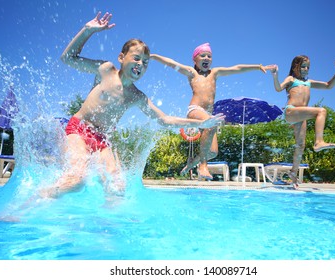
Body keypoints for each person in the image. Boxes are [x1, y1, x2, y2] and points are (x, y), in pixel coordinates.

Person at [41, 12, 224, 198]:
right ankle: (35, 200)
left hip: (102, 141)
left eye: (145, 63)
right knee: (76, 181)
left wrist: (202, 123)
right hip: (79, 129)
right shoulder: (106, 70)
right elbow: (68, 58)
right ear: (121, 57)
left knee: (117, 188)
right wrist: (87, 31)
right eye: (136, 58)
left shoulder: (137, 96)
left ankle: (108, 225)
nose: (140, 64)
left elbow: (165, 120)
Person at [151, 43, 272, 180]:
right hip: (195, 110)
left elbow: (236, 68)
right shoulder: (192, 73)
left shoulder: (215, 73)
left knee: (213, 152)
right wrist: (154, 57)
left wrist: (257, 66)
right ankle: (202, 165)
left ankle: (192, 163)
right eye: (203, 55)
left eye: (209, 56)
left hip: (208, 115)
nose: (206, 58)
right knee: (212, 124)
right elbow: (172, 63)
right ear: (195, 59)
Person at [268, 55, 335, 188]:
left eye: (308, 66)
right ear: (295, 67)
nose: (306, 69)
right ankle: (319, 141)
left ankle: (293, 172)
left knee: (300, 145)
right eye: (303, 66)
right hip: (291, 111)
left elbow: (328, 86)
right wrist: (275, 76)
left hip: (300, 116)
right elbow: (278, 88)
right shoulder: (291, 79)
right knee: (321, 111)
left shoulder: (309, 82)